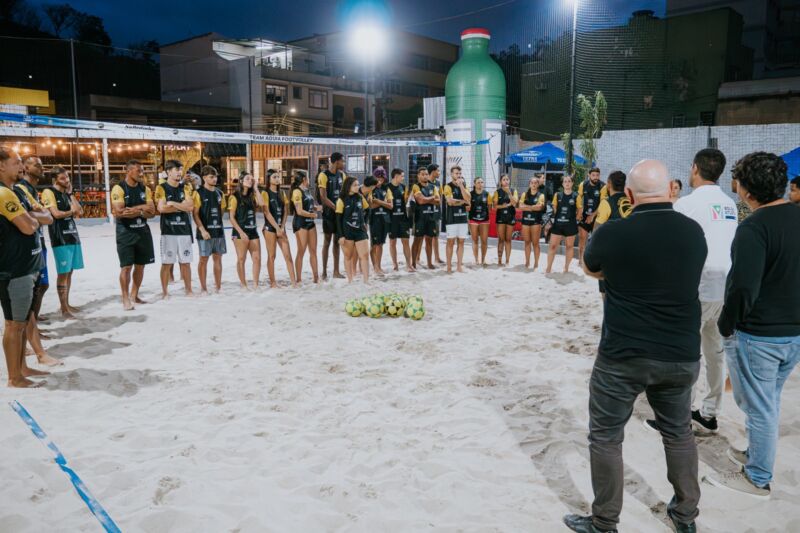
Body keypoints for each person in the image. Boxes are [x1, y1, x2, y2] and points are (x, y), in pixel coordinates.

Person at [564, 159, 707, 533]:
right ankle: (685, 517)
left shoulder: (614, 232)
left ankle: (605, 522)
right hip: (680, 353)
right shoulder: (693, 232)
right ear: (671, 190)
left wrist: (618, 271)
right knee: (679, 433)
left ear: (628, 195)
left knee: (607, 437)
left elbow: (590, 267)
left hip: (623, 355)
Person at [704, 152, 800, 499]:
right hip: (793, 334)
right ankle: (757, 454)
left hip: (760, 333)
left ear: (745, 190)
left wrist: (727, 324)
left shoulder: (754, 228)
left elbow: (743, 287)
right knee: (766, 401)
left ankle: (757, 476)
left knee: (758, 405)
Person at [645, 149, 737, 435]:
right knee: (715, 352)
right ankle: (709, 412)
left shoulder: (688, 203)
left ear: (695, 168)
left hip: (697, 287)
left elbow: (670, 244)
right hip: (726, 287)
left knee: (684, 354)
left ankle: (676, 415)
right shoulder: (730, 204)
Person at [0, 147, 51, 387]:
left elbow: (45, 217)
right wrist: (33, 218)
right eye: (17, 162)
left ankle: (22, 368)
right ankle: (14, 377)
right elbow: (29, 226)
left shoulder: (16, 192)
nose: (21, 166)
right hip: (13, 270)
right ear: (1, 166)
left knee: (20, 323)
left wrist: (33, 217)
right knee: (14, 324)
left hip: (26, 266)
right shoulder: (4, 194)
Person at [111, 160, 156, 310]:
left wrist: (138, 211)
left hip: (142, 231)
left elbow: (152, 212)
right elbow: (120, 212)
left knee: (141, 266)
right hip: (125, 233)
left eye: (142, 171)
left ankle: (134, 295)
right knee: (126, 267)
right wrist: (143, 208)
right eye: (138, 171)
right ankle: (125, 298)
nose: (141, 173)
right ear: (128, 171)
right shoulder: (119, 188)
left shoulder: (145, 189)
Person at [40, 167, 84, 318]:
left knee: (70, 271)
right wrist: (71, 211)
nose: (67, 181)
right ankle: (64, 308)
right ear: (55, 179)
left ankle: (66, 304)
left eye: (68, 178)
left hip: (72, 235)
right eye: (63, 178)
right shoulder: (49, 192)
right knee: (63, 273)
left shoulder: (67, 193)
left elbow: (80, 211)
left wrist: (71, 194)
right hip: (59, 237)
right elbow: (56, 214)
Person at [17, 156, 50, 322]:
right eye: (37, 165)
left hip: (39, 240)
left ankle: (33, 322)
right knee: (36, 287)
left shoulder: (31, 188)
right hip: (30, 245)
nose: (41, 168)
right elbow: (26, 216)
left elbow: (45, 216)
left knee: (41, 285)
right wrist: (41, 215)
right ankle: (30, 326)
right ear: (26, 167)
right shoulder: (22, 188)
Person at [155, 160, 194, 298]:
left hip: (184, 231)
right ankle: (165, 292)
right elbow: (161, 209)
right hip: (168, 231)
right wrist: (180, 205)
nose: (179, 172)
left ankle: (189, 290)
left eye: (180, 169)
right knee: (167, 263)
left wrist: (172, 203)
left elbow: (190, 207)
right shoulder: (161, 188)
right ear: (168, 172)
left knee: (186, 263)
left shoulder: (186, 187)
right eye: (176, 169)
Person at [192, 165, 226, 294]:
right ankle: (203, 287)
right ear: (204, 177)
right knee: (203, 259)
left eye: (216, 176)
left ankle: (218, 287)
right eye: (212, 177)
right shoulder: (198, 193)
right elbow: (195, 214)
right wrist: (202, 230)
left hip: (218, 231)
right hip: (205, 233)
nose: (215, 179)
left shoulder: (220, 193)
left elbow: (221, 212)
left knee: (218, 258)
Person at [229, 171, 264, 290]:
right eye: (248, 179)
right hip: (240, 232)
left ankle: (255, 284)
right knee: (241, 259)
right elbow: (231, 218)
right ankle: (243, 284)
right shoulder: (234, 197)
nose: (250, 181)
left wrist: (256, 188)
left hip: (253, 231)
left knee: (257, 258)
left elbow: (261, 204)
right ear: (241, 181)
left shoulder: (252, 196)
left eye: (251, 179)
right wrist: (241, 233)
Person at [262, 169, 296, 288]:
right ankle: (273, 283)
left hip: (281, 228)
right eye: (274, 177)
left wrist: (282, 226)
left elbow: (286, 211)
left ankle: (294, 282)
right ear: (269, 179)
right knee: (272, 256)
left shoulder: (282, 193)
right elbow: (266, 213)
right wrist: (276, 227)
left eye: (278, 177)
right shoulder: (265, 193)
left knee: (288, 255)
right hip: (270, 228)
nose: (277, 179)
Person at [337, 176, 374, 283]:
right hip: (347, 231)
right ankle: (350, 280)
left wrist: (365, 222)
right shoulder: (341, 200)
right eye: (355, 185)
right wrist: (340, 235)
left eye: (358, 184)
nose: (358, 187)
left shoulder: (360, 197)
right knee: (348, 256)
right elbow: (338, 219)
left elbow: (368, 210)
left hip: (360, 231)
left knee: (365, 256)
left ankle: (366, 280)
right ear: (348, 186)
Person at [318, 152, 345, 280]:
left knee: (337, 242)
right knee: (327, 242)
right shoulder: (323, 175)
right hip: (329, 213)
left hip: (339, 214)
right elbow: (323, 198)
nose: (343, 164)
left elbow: (344, 194)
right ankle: (323, 272)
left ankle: (336, 271)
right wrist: (335, 208)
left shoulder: (342, 175)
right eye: (342, 161)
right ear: (335, 162)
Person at [291, 171, 321, 284]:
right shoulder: (296, 192)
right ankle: (298, 279)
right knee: (301, 251)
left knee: (313, 251)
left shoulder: (307, 191)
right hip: (301, 223)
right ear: (304, 179)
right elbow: (299, 211)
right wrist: (311, 214)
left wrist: (316, 208)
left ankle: (316, 277)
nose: (309, 180)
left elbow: (309, 205)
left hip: (310, 223)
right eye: (308, 177)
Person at [545, 175, 579, 274]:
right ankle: (548, 268)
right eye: (565, 181)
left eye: (569, 181)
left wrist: (574, 220)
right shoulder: (557, 195)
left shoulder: (576, 196)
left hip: (570, 225)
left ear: (572, 183)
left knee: (569, 246)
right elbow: (555, 208)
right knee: (552, 246)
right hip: (558, 225)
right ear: (562, 183)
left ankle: (566, 268)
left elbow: (580, 210)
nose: (567, 183)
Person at [443, 165, 471, 273]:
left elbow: (468, 199)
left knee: (461, 242)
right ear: (452, 174)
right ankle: (449, 267)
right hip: (451, 219)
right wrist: (462, 202)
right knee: (450, 242)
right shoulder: (447, 186)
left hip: (463, 219)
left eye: (459, 173)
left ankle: (459, 266)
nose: (458, 175)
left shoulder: (463, 185)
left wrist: (461, 187)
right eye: (456, 173)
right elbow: (450, 201)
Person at [410, 167, 440, 270]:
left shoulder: (433, 187)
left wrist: (426, 199)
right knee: (417, 241)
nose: (425, 176)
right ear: (418, 175)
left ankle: (429, 263)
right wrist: (432, 198)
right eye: (422, 174)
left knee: (429, 241)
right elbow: (420, 201)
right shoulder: (416, 186)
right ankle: (413, 263)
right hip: (420, 218)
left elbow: (438, 201)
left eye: (426, 174)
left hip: (431, 218)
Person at [577, 168, 606, 266]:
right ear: (589, 175)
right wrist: (579, 212)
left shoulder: (603, 186)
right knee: (582, 238)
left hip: (597, 216)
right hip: (584, 216)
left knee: (596, 240)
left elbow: (602, 203)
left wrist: (593, 215)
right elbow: (578, 199)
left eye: (597, 175)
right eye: (593, 175)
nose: (596, 177)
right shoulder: (583, 185)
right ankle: (581, 259)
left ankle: (595, 261)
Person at [387, 168, 414, 272]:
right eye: (402, 176)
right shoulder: (387, 187)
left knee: (406, 241)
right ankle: (395, 264)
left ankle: (409, 265)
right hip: (392, 219)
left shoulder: (404, 187)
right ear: (396, 176)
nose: (403, 178)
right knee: (392, 242)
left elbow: (406, 201)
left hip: (403, 218)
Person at [368, 167, 392, 276]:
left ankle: (378, 266)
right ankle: (375, 267)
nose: (380, 180)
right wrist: (384, 202)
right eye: (378, 178)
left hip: (385, 219)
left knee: (380, 244)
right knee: (375, 244)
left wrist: (378, 201)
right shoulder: (370, 189)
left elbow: (391, 206)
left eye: (382, 178)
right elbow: (371, 205)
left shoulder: (386, 189)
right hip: (374, 219)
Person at [518, 176, 545, 269]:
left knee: (535, 243)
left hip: (536, 222)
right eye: (532, 183)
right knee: (527, 243)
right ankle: (527, 262)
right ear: (529, 184)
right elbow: (520, 206)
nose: (533, 185)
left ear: (538, 185)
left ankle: (536, 263)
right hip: (525, 222)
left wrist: (527, 207)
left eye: (535, 183)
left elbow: (539, 208)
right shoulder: (524, 194)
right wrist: (533, 207)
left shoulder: (541, 195)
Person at [492, 174, 517, 266]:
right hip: (501, 218)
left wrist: (509, 193)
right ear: (501, 182)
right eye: (504, 179)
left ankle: (507, 261)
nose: (506, 181)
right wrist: (505, 205)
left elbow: (514, 203)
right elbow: (494, 206)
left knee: (508, 240)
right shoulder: (497, 192)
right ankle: (499, 260)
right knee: (501, 239)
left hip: (510, 217)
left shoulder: (513, 191)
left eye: (507, 179)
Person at [468, 177, 492, 266]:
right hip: (473, 219)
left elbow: (489, 208)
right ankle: (476, 259)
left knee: (484, 241)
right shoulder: (470, 194)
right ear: (474, 184)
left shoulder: (487, 194)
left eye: (482, 182)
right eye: (478, 182)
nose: (480, 184)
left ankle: (483, 259)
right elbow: (468, 207)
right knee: (475, 240)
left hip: (484, 220)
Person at [427, 163, 445, 265]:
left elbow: (440, 199)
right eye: (438, 171)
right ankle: (417, 258)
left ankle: (437, 258)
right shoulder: (425, 183)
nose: (439, 172)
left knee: (436, 236)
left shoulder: (438, 184)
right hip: (426, 213)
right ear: (433, 172)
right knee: (423, 237)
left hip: (436, 212)